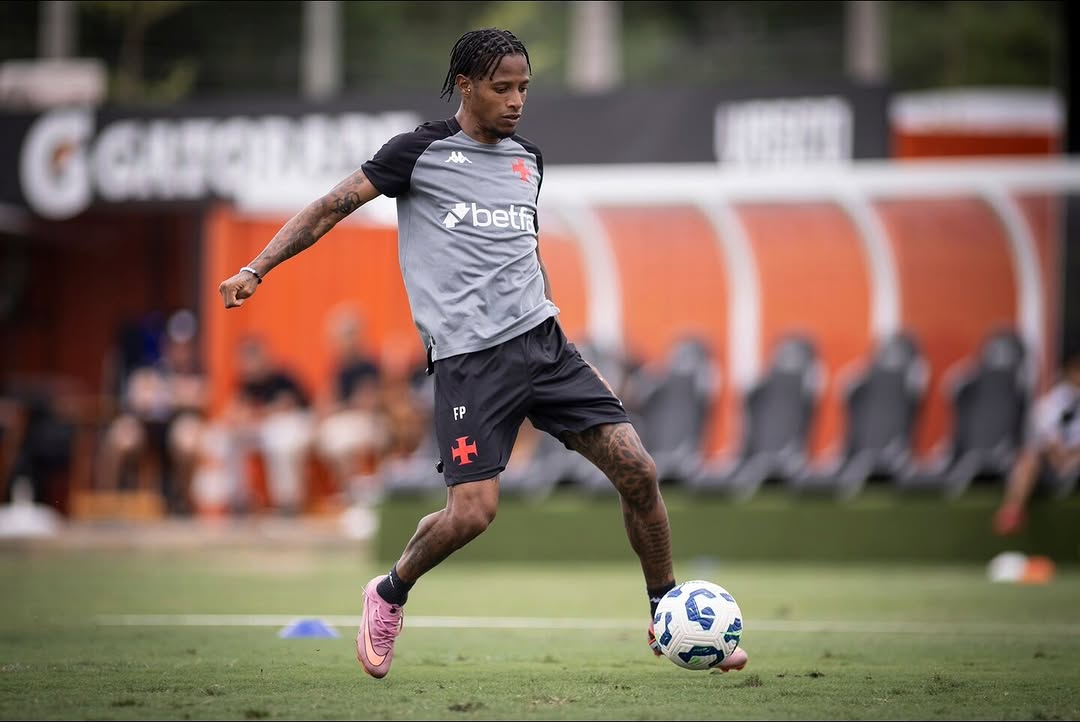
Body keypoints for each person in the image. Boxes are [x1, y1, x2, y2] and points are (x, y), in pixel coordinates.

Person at [217, 27, 748, 679]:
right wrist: (256, 268)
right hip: (470, 363)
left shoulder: (529, 160)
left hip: (545, 348)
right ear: (466, 86)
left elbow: (524, 251)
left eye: (524, 87)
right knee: (472, 514)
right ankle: (389, 592)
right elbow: (331, 206)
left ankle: (667, 613)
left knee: (638, 469)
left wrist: (554, 329)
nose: (517, 100)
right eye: (503, 88)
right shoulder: (417, 153)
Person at [993, 341, 1080, 535]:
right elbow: (1046, 436)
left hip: (1075, 460)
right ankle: (1012, 510)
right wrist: (1059, 455)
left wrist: (1073, 456)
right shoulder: (1054, 401)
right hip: (1054, 462)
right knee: (1029, 458)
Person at [312, 305, 388, 505]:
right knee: (331, 436)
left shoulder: (370, 365)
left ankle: (356, 493)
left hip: (370, 421)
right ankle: (349, 491)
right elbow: (329, 401)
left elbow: (369, 402)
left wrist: (345, 405)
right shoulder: (338, 367)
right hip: (345, 420)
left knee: (343, 439)